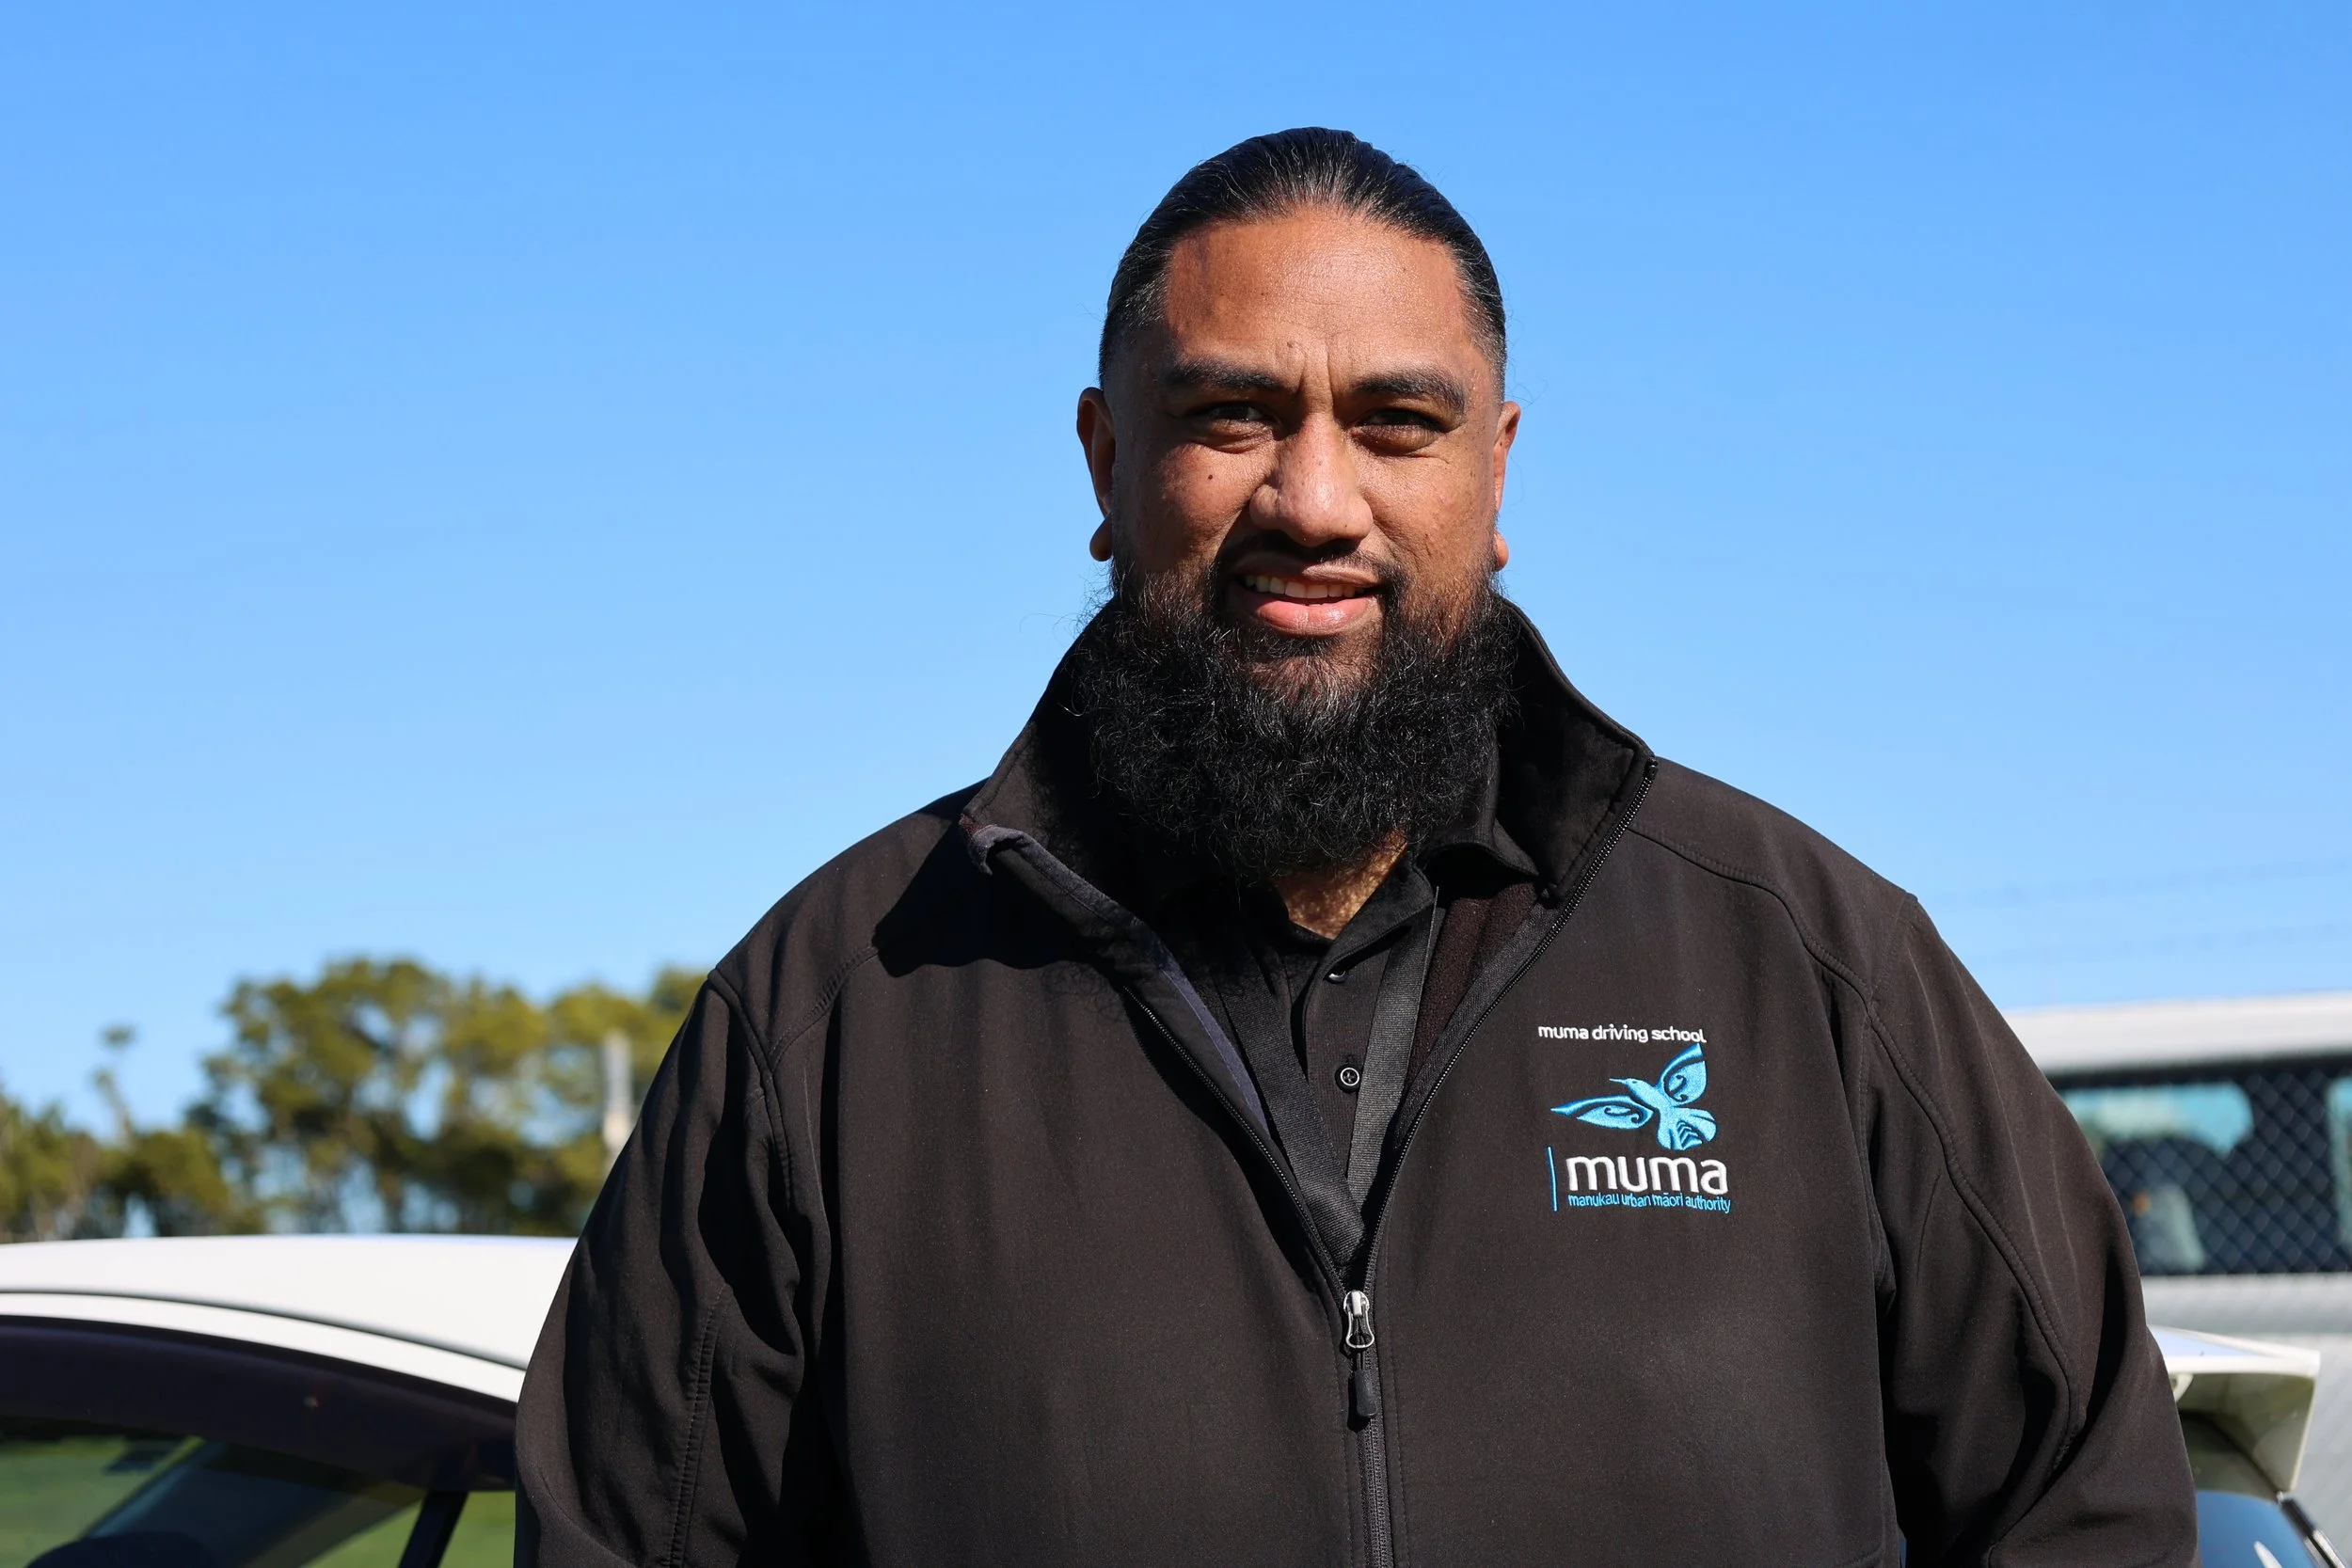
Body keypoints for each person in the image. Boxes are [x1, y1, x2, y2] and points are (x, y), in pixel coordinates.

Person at [516, 128, 2195, 1567]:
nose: (1316, 500)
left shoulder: (1808, 967)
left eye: (1397, 422)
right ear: (1105, 459)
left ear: (1497, 471)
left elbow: (2090, 1504)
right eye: (1232, 415)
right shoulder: (829, 1018)